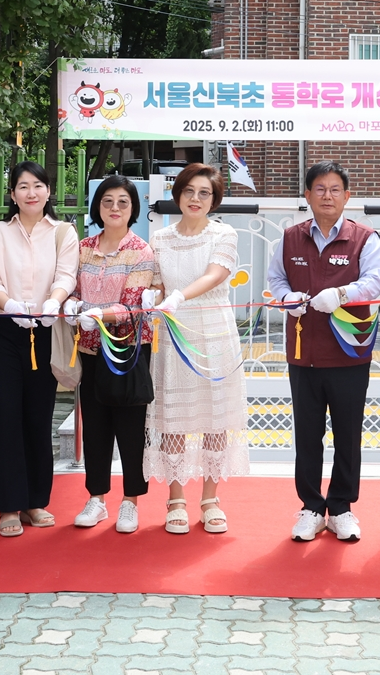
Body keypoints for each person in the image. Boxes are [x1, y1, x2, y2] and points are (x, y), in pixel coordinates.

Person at [266, 160, 380, 543]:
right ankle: (311, 507)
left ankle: (341, 508)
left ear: (347, 196)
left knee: (348, 433)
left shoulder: (364, 237)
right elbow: (275, 280)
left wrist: (342, 294)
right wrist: (287, 298)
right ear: (307, 195)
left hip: (350, 351)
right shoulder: (288, 238)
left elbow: (374, 280)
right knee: (307, 432)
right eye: (319, 189)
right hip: (303, 352)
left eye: (335, 189)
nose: (327, 196)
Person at [146, 162, 250, 534]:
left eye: (204, 193)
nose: (195, 199)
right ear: (178, 195)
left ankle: (210, 498)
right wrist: (152, 296)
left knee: (214, 416)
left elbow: (215, 275)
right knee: (173, 413)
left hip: (214, 333)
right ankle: (175, 497)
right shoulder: (159, 238)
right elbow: (155, 284)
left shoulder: (224, 234)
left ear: (214, 199)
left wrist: (177, 295)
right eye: (189, 191)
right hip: (173, 333)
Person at [0, 160, 79, 537]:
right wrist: (9, 305)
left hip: (46, 328)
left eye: (38, 185)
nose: (31, 192)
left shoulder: (63, 232)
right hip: (3, 330)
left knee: (38, 417)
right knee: (5, 416)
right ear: (12, 194)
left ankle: (35, 501)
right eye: (23, 186)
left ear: (48, 191)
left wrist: (53, 302)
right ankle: (7, 505)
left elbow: (66, 275)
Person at [66, 174, 158, 534]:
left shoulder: (140, 251)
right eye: (108, 201)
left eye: (123, 201)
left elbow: (133, 306)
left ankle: (131, 501)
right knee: (96, 428)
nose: (115, 208)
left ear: (133, 208)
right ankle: (96, 497)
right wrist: (75, 308)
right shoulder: (84, 247)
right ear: (97, 207)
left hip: (127, 353)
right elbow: (70, 288)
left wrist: (97, 315)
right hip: (89, 350)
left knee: (131, 429)